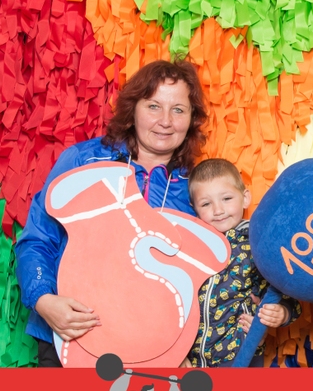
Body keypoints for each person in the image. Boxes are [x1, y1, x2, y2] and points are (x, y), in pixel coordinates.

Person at [15, 59, 208, 366]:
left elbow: (203, 278)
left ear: (192, 118)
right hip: (69, 335)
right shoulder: (83, 161)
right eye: (154, 106)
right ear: (133, 109)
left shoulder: (199, 187)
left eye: (178, 110)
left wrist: (182, 347)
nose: (166, 121)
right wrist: (43, 300)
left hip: (150, 350)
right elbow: (38, 238)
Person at [181, 158, 301, 367]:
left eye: (226, 198)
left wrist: (282, 313)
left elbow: (286, 293)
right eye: (206, 204)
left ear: (245, 198)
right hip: (191, 359)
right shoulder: (189, 246)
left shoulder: (258, 244)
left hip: (240, 355)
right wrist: (177, 353)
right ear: (195, 209)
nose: (218, 210)